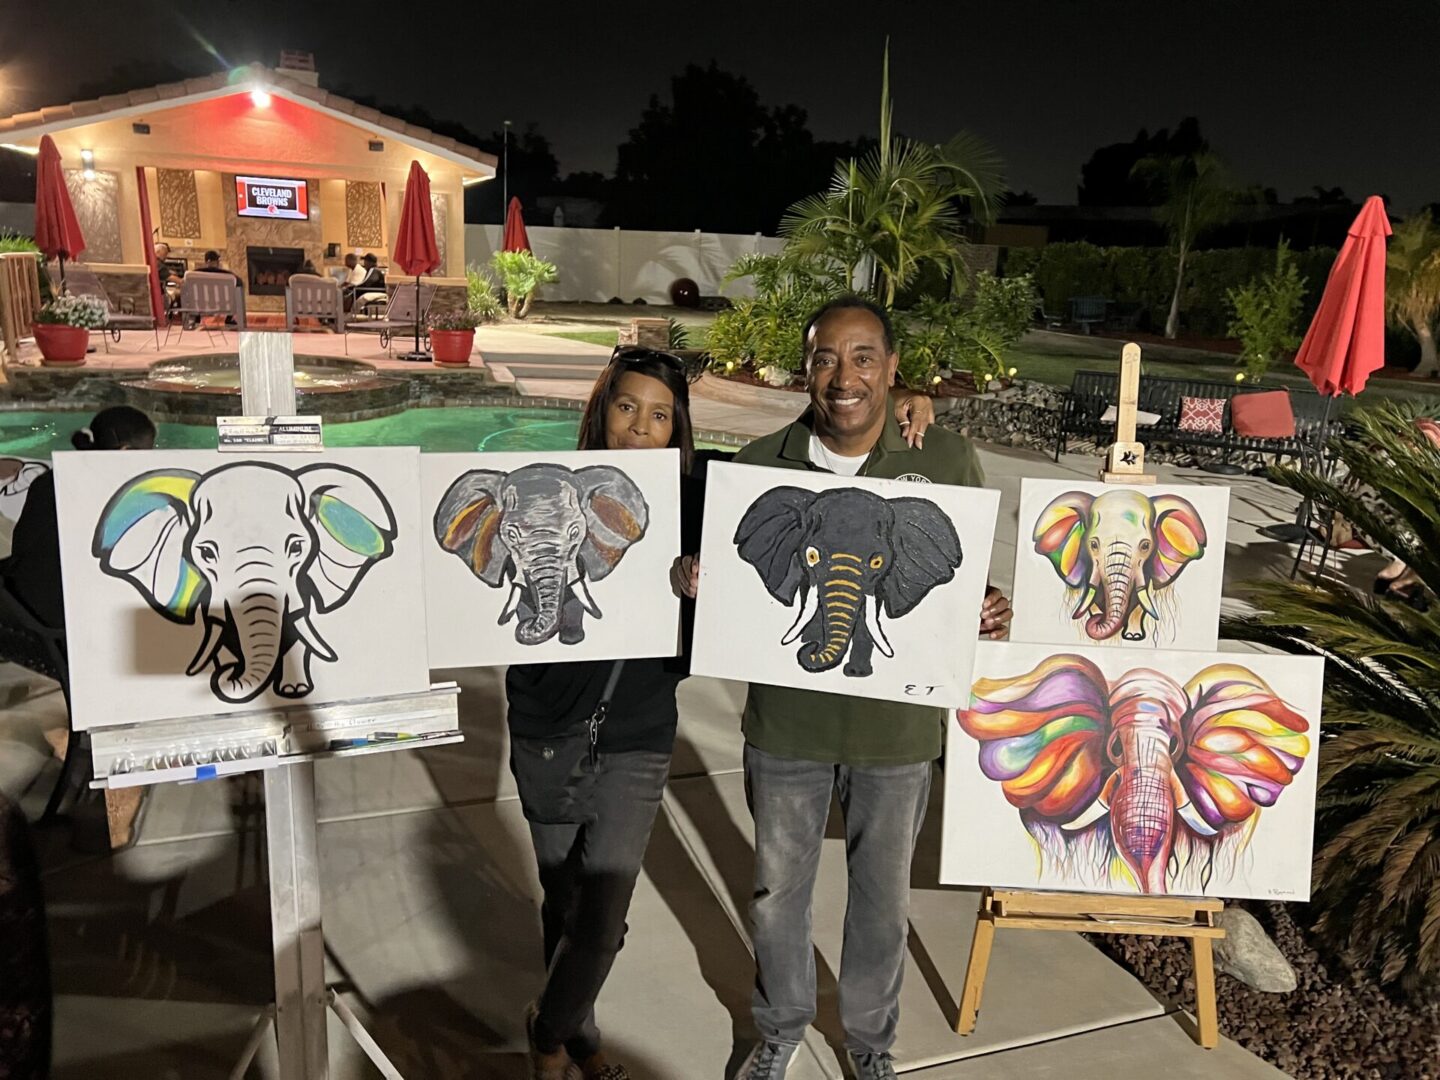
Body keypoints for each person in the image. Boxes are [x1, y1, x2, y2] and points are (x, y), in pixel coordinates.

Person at [510, 346, 937, 1080]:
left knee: (603, 920)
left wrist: (892, 403)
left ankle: (546, 1033)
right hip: (546, 724)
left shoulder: (704, 487)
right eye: (625, 407)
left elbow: (800, 452)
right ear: (599, 409)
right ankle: (579, 1035)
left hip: (638, 730)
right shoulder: (543, 490)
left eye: (660, 416)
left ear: (678, 428)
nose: (639, 429)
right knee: (564, 900)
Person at [675, 296, 1011, 1080]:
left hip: (897, 737)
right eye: (826, 357)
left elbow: (957, 587)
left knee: (881, 906)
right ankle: (781, 1029)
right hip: (787, 729)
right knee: (776, 896)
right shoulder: (758, 467)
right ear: (807, 369)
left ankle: (870, 1045)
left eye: (864, 357)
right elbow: (725, 583)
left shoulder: (947, 463)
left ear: (893, 370)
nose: (844, 376)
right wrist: (691, 579)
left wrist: (989, 609)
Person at [0, 407, 156, 629]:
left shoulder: (49, 480)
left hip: (21, 614)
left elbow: (23, 545)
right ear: (126, 451)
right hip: (69, 629)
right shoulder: (123, 496)